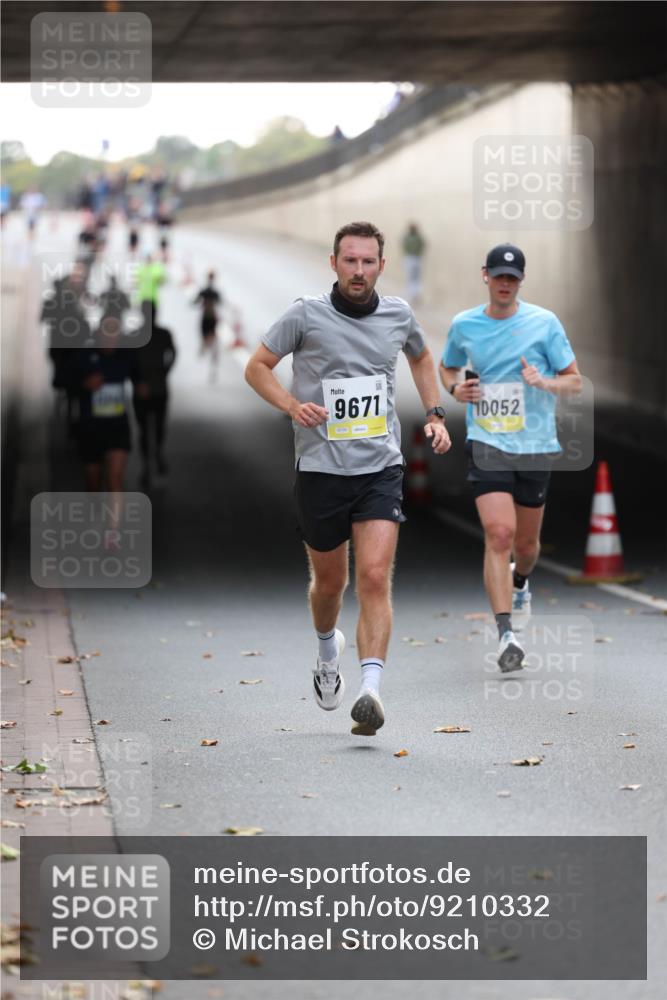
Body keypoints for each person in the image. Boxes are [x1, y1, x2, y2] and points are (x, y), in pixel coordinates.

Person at [245, 221, 451, 736]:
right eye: (350, 260)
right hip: (320, 470)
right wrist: (292, 405)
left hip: (380, 466)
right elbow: (257, 367)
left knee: (375, 578)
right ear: (333, 264)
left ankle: (371, 691)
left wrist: (434, 412)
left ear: (382, 265)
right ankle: (326, 651)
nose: (359, 270)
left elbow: (423, 356)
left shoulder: (398, 314)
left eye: (368, 261)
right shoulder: (305, 315)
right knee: (330, 584)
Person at [439, 243, 582, 672]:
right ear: (485, 275)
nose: (505, 284)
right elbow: (448, 367)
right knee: (499, 535)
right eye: (499, 276)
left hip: (535, 445)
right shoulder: (464, 324)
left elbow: (574, 382)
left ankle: (521, 582)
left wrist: (544, 381)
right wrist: (455, 389)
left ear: (520, 281)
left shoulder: (544, 323)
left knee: (526, 545)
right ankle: (506, 635)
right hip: (487, 441)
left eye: (512, 278)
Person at [71, 315, 145, 493]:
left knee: (115, 477)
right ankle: (94, 513)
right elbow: (60, 381)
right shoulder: (83, 355)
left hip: (117, 427)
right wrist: (84, 383)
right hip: (91, 427)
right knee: (93, 482)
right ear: (98, 333)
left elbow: (138, 376)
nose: (110, 337)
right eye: (107, 332)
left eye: (115, 333)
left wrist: (141, 386)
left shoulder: (126, 356)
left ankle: (114, 522)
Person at [132, 301, 177, 487]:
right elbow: (173, 354)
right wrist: (164, 371)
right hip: (158, 387)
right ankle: (154, 456)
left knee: (148, 429)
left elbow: (130, 362)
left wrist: (137, 381)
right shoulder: (163, 334)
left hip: (150, 388)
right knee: (155, 427)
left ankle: (149, 461)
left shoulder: (136, 336)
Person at [193, 271, 223, 380]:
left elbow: (194, 302)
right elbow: (220, 302)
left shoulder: (204, 291)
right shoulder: (215, 292)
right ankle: (212, 358)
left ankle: (204, 346)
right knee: (213, 342)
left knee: (206, 339)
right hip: (213, 319)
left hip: (205, 319)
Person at [401, 222, 426, 303]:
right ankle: (414, 296)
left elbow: (403, 245)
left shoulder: (408, 237)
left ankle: (413, 296)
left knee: (411, 278)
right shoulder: (418, 237)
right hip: (416, 259)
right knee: (415, 278)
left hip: (411, 259)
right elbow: (423, 245)